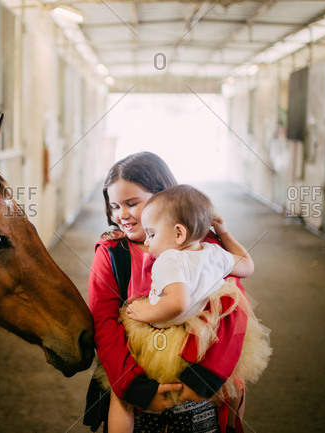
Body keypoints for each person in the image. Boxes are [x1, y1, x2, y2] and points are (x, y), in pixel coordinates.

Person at [85, 152, 250, 433]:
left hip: (201, 369)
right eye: (114, 206)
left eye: (132, 203)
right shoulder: (113, 253)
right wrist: (135, 387)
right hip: (138, 368)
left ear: (164, 196)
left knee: (235, 388)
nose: (122, 215)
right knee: (119, 401)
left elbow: (232, 309)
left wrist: (204, 378)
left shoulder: (203, 244)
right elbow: (104, 321)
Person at [107, 184, 270, 433]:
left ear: (179, 234)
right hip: (205, 335)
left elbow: (177, 303)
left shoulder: (169, 259)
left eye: (151, 234)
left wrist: (144, 313)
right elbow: (247, 266)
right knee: (235, 383)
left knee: (120, 397)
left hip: (165, 336)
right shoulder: (215, 252)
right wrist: (224, 233)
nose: (148, 244)